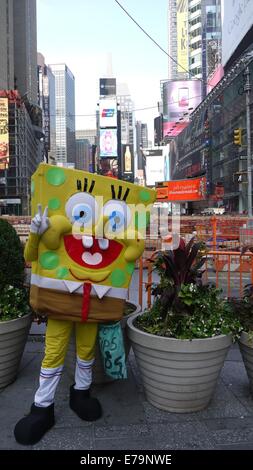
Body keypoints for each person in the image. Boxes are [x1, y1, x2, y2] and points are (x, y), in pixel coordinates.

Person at [14, 163, 156, 445]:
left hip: (97, 304)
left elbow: (129, 254)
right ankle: (42, 407)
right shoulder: (54, 231)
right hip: (60, 301)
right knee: (53, 353)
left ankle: (81, 393)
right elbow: (33, 255)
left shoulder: (115, 240)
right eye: (81, 213)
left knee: (86, 351)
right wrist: (36, 233)